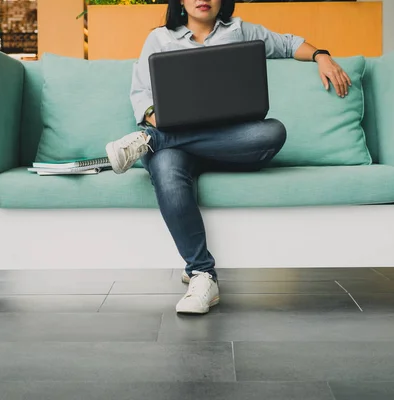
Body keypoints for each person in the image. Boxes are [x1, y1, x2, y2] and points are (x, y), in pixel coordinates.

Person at [105, 0, 351, 315]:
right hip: (176, 152)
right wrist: (156, 120)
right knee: (166, 167)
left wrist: (321, 55)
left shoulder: (241, 31)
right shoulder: (159, 38)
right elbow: (142, 97)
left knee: (271, 132)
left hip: (230, 146)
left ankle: (150, 141)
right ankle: (202, 274)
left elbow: (289, 44)